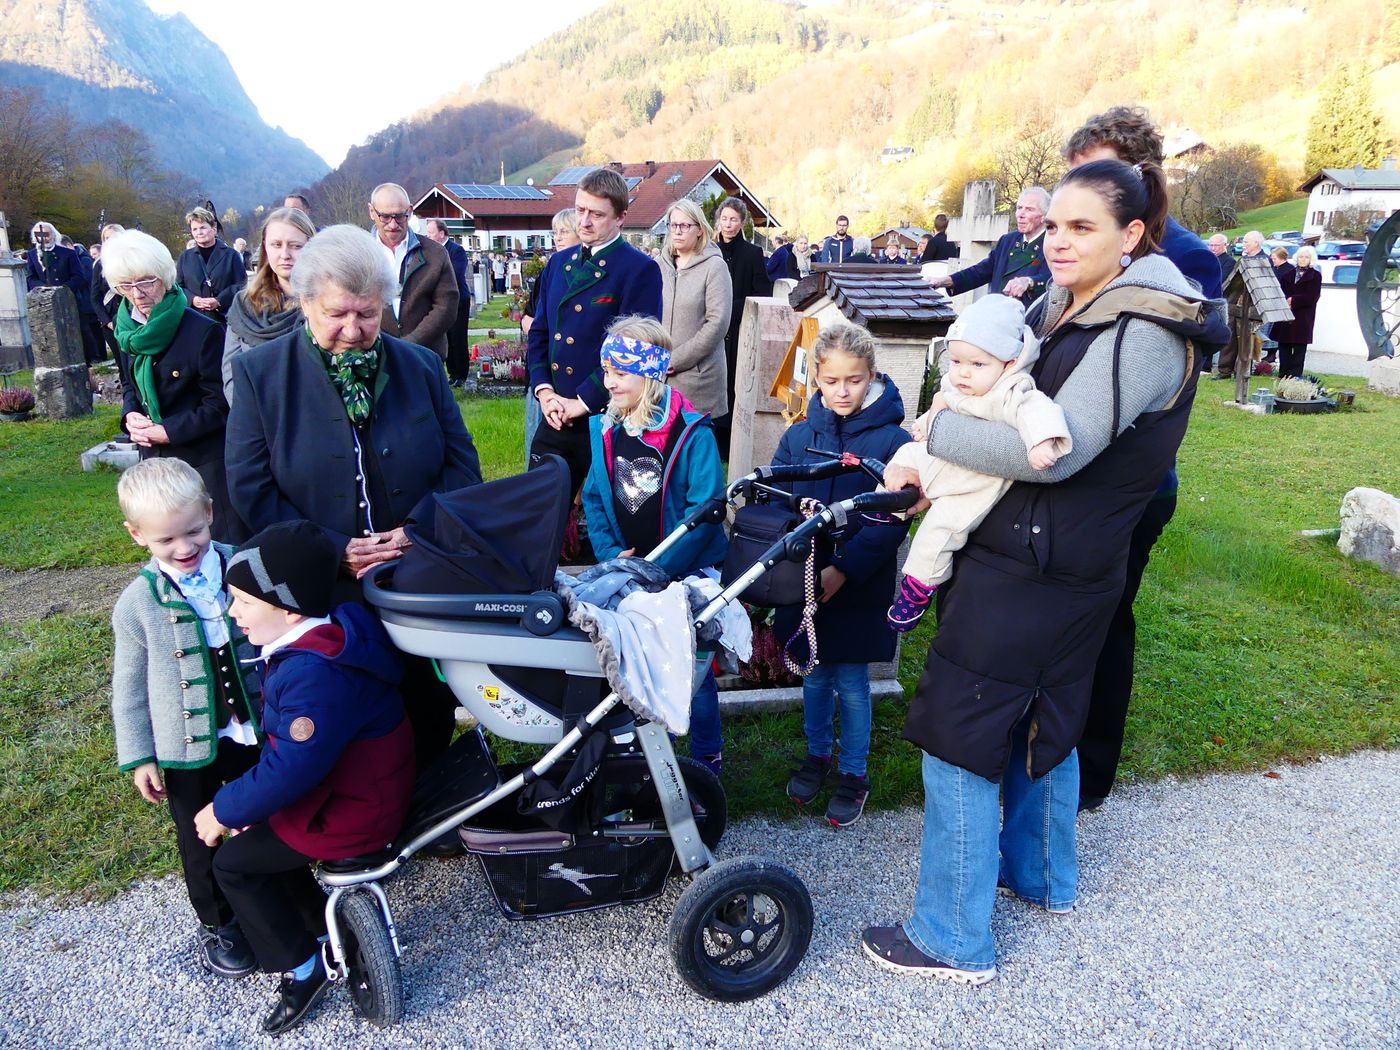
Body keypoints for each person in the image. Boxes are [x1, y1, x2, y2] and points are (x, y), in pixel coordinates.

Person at [864, 159, 1226, 983]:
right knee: (1044, 721)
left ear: (1132, 235)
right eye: (1054, 224)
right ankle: (1041, 876)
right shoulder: (1068, 309)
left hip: (1038, 572)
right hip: (1052, 561)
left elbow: (1059, 455)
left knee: (960, 733)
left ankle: (951, 937)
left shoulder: (1142, 332)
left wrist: (929, 438)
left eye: (1081, 227)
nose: (1058, 241)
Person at [225, 224, 482, 769]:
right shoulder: (259, 375)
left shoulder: (420, 367)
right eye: (337, 314)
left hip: (414, 576)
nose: (353, 329)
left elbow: (462, 466)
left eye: (367, 314)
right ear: (305, 302)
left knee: (424, 702)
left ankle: (431, 790)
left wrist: (416, 531)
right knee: (337, 712)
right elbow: (250, 486)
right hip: (318, 587)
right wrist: (331, 547)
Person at [1062, 105, 1230, 808]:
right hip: (1073, 464)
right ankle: (1047, 749)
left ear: (1140, 177)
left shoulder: (1182, 257)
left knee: (1104, 621)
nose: (1081, 193)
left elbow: (1168, 375)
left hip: (1132, 479)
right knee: (1065, 619)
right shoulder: (1081, 241)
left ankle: (1089, 770)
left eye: (1097, 174)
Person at [197, 520, 414, 1036]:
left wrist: (224, 810)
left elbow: (292, 767)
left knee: (234, 865)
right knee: (261, 841)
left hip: (353, 811)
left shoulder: (312, 674)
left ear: (289, 608)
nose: (232, 613)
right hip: (362, 789)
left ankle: (301, 968)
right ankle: (322, 925)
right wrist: (254, 809)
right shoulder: (332, 631)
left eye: (243, 602)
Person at [110, 458, 263, 981]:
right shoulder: (137, 604)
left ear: (210, 513)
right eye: (166, 540)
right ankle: (219, 922)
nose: (184, 547)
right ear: (137, 535)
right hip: (185, 746)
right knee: (200, 836)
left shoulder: (245, 566)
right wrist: (141, 756)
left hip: (253, 729)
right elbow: (129, 687)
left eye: (194, 531)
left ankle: (277, 897)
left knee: (261, 815)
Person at [773, 323, 912, 827]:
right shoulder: (799, 435)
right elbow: (778, 500)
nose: (843, 391)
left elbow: (892, 518)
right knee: (813, 672)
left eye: (854, 380)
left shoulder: (894, 441)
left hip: (858, 580)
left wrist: (844, 569)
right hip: (805, 577)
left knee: (852, 680)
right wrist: (800, 559)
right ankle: (817, 754)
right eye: (832, 381)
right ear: (817, 377)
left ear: (871, 375)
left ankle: (854, 771)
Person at [579, 316, 728, 771]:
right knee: (636, 659)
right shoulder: (606, 430)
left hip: (685, 570)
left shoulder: (692, 434)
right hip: (631, 569)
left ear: (650, 375)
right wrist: (611, 556)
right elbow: (594, 497)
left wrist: (660, 567)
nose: (609, 382)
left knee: (693, 669)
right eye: (607, 371)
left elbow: (706, 509)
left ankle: (707, 757)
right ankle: (645, 755)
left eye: (621, 373)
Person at [884, 295, 1071, 632]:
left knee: (938, 533)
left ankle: (917, 588)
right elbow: (942, 402)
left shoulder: (1012, 391)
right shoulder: (957, 383)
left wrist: (1041, 441)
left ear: (1009, 363)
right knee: (903, 455)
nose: (964, 372)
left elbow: (1038, 412)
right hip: (939, 459)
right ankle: (886, 507)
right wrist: (926, 422)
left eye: (977, 364)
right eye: (956, 361)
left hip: (972, 483)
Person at [526, 167, 663, 498]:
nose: (584, 222)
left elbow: (638, 351)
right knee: (538, 508)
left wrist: (582, 401)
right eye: (580, 210)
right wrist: (545, 392)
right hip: (556, 412)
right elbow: (540, 332)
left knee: (608, 514)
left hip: (609, 415)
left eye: (597, 214)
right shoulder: (558, 264)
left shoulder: (639, 269)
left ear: (621, 218)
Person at [106, 229, 234, 540]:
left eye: (146, 282)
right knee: (167, 546)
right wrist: (130, 415)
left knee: (213, 546)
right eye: (126, 285)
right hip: (154, 462)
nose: (137, 294)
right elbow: (130, 385)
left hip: (203, 463)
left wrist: (169, 430)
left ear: (165, 277)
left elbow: (221, 405)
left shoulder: (203, 332)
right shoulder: (126, 331)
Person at [1065, 106, 1223, 300]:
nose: (1077, 191)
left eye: (1094, 177)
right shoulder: (1068, 245)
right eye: (1072, 178)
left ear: (1140, 176)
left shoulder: (1189, 256)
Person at [222, 207, 314, 403]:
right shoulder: (244, 305)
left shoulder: (326, 305)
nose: (285, 254)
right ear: (265, 247)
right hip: (255, 414)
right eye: (276, 245)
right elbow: (231, 375)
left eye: (295, 246)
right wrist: (250, 414)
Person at [659, 198, 732, 419]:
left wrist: (677, 359)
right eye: (673, 225)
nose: (677, 231)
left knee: (693, 438)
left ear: (700, 230)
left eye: (685, 225)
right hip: (658, 377)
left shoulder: (715, 267)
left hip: (698, 379)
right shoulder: (659, 264)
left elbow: (717, 323)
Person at [367, 183, 457, 360]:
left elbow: (446, 306)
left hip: (425, 357)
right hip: (374, 357)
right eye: (385, 217)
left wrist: (411, 344)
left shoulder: (435, 253)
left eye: (400, 216)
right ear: (372, 212)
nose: (393, 224)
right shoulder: (358, 255)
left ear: (410, 210)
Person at [713, 196, 772, 457]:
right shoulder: (710, 251)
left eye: (733, 220)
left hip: (739, 329)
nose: (728, 224)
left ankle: (730, 443)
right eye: (724, 219)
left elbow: (761, 292)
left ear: (742, 223)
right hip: (714, 328)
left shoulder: (752, 253)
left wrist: (731, 310)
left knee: (734, 383)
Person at [522, 210, 580, 466]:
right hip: (543, 369)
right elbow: (529, 316)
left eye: (564, 231)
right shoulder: (552, 269)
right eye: (555, 232)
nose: (558, 237)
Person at [928, 188, 1051, 303]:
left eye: (1029, 209)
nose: (1020, 214)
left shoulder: (1052, 244)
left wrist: (1029, 282)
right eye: (1019, 208)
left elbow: (1054, 282)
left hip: (1029, 316)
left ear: (1044, 217)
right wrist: (944, 281)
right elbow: (981, 271)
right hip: (997, 312)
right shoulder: (1008, 241)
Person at [176, 207, 247, 325]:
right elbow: (178, 286)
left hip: (225, 318)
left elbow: (241, 284)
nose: (199, 232)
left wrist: (219, 300)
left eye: (203, 227)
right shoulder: (185, 257)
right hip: (194, 319)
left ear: (214, 229)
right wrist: (192, 299)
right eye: (195, 229)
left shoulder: (231, 255)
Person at [426, 218, 473, 385]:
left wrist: (432, 276)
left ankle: (461, 374)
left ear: (441, 233)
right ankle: (452, 373)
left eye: (430, 232)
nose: (428, 236)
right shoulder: (430, 251)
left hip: (459, 299)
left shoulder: (456, 250)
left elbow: (455, 273)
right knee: (446, 337)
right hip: (439, 300)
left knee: (458, 337)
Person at [1214, 231, 1265, 380]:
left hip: (1251, 306)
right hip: (1234, 304)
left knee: (1246, 340)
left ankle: (1241, 371)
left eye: (1247, 242)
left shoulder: (1264, 260)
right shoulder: (1243, 259)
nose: (1244, 244)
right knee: (1229, 337)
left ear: (1256, 243)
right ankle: (1225, 370)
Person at [1272, 245, 1321, 378]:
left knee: (1299, 347)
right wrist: (1286, 300)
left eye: (1306, 257)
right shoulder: (1288, 274)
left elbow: (1313, 296)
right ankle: (1283, 373)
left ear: (1311, 259)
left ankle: (1295, 375)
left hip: (1303, 316)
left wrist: (1294, 300)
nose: (1303, 259)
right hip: (1287, 315)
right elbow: (1281, 292)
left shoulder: (1315, 276)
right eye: (1301, 257)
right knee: (1284, 346)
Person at [91, 223, 127, 364]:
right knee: (121, 362)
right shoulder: (100, 264)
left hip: (131, 315)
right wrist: (106, 321)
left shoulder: (132, 259)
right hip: (110, 318)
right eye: (107, 238)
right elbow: (95, 297)